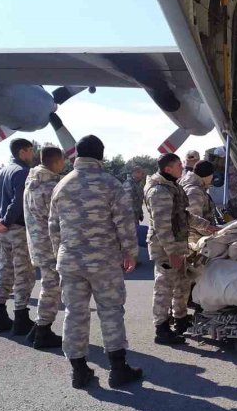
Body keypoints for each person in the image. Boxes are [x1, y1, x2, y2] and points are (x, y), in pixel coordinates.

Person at [49, 135, 142, 389]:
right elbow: (125, 223)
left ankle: (79, 371)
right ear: (101, 155)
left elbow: (53, 227)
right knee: (111, 311)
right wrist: (130, 253)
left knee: (75, 313)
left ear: (77, 155)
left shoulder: (62, 185)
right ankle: (118, 369)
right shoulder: (111, 184)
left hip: (70, 261)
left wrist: (61, 254)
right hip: (104, 261)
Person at [145, 153, 198, 346]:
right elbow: (162, 226)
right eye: (178, 165)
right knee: (164, 288)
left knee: (182, 283)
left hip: (177, 245)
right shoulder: (159, 191)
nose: (182, 167)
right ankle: (162, 329)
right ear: (168, 169)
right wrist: (172, 253)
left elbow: (182, 215)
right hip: (165, 248)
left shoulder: (172, 186)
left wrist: (206, 225)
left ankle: (181, 319)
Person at [0, 138, 35, 336]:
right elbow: (18, 201)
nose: (33, 154)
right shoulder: (22, 172)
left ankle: (0, 313)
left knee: (5, 271)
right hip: (16, 228)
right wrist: (6, 221)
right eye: (31, 150)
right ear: (22, 152)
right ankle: (21, 317)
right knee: (24, 273)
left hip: (4, 230)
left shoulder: (1, 173)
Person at [22, 146, 66, 349]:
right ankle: (42, 330)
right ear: (56, 162)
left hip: (38, 243)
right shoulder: (51, 186)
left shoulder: (32, 180)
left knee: (49, 285)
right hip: (50, 244)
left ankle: (37, 330)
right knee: (51, 287)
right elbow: (60, 219)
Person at [180, 160, 221, 249]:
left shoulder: (195, 187)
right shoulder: (194, 191)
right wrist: (216, 233)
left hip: (197, 239)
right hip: (195, 242)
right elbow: (194, 221)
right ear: (208, 175)